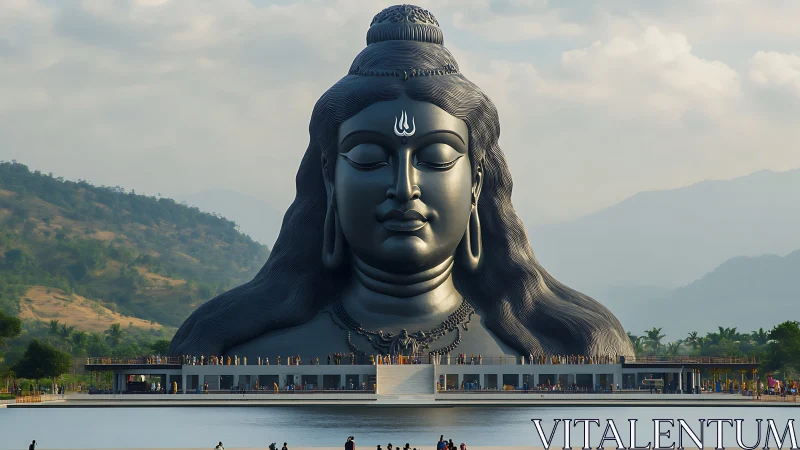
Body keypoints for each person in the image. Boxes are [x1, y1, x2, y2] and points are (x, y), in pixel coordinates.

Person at [168, 3, 634, 363]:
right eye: (370, 159)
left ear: (476, 182)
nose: (404, 187)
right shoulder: (235, 352)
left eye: (435, 158)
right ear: (330, 180)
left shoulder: (566, 348)